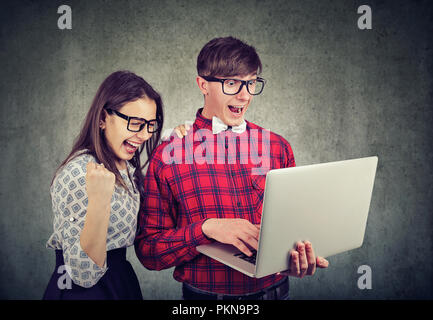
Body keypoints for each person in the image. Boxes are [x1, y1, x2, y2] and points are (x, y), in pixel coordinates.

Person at [134, 37, 329, 300]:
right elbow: (149, 252)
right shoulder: (168, 155)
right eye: (232, 83)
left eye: (250, 82)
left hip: (277, 294)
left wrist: (294, 258)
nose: (245, 95)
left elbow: (291, 230)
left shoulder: (278, 147)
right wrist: (205, 230)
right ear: (203, 84)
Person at [43, 70, 163, 299]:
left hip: (120, 283)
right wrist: (99, 201)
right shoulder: (79, 172)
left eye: (150, 125)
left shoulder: (126, 167)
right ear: (102, 119)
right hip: (84, 292)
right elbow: (83, 274)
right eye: (136, 123)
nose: (145, 135)